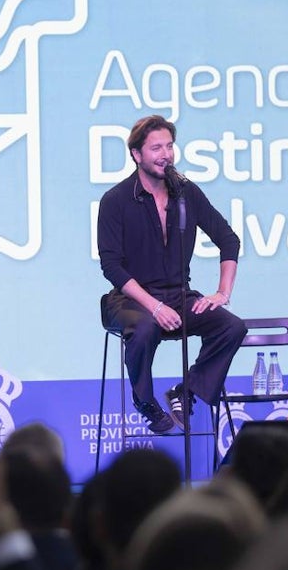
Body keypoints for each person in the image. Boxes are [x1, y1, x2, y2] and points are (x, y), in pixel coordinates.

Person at [96, 115, 246, 434]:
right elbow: (111, 266)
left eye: (169, 146)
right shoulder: (115, 201)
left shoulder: (186, 194)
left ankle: (186, 392)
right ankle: (145, 402)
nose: (165, 154)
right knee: (146, 327)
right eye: (156, 148)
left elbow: (228, 239)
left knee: (231, 326)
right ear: (137, 154)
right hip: (129, 299)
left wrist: (222, 293)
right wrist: (154, 306)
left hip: (178, 295)